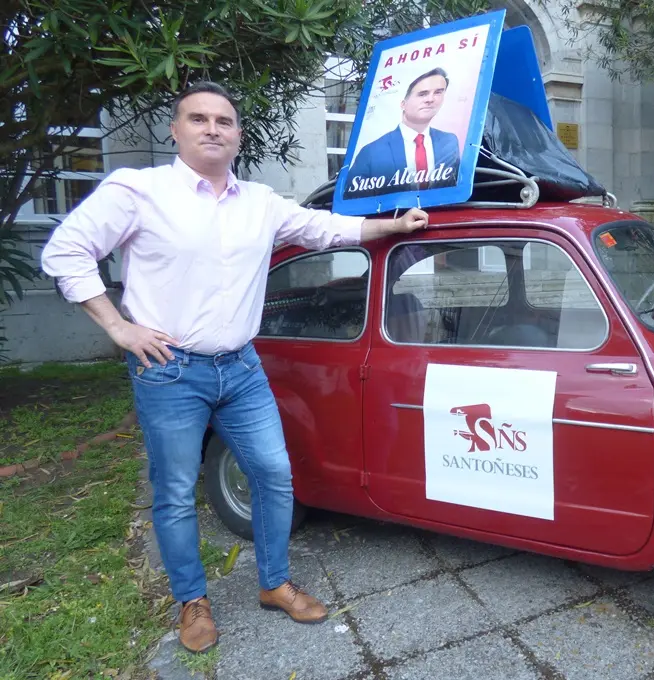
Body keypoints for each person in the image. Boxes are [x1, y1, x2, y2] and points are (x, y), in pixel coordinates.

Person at [39, 81, 429, 655]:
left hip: (241, 369)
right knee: (173, 492)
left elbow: (325, 228)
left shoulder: (260, 202)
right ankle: (192, 601)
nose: (212, 128)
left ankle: (273, 584)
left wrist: (391, 226)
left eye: (223, 120)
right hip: (170, 371)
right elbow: (64, 251)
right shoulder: (138, 191)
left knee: (274, 475)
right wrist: (119, 327)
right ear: (176, 130)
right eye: (198, 119)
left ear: (238, 135)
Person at [343, 67, 461, 199]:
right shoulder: (371, 152)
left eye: (438, 92)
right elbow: (354, 201)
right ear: (403, 104)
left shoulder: (449, 142)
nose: (430, 99)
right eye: (422, 94)